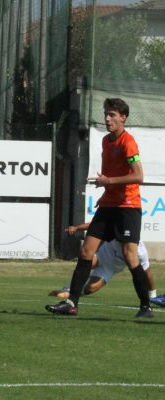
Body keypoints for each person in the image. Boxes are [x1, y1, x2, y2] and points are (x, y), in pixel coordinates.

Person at [46, 98, 151, 317]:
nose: (107, 119)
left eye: (112, 115)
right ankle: (72, 303)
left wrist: (108, 183)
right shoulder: (106, 141)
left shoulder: (127, 142)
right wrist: (106, 191)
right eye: (106, 114)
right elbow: (111, 176)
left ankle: (145, 306)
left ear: (123, 117)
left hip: (127, 206)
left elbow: (138, 176)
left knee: (130, 255)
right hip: (109, 204)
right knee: (86, 251)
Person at [48, 223, 157, 300]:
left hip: (111, 268)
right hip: (103, 254)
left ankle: (75, 291)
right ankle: (68, 290)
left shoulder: (140, 253)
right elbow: (94, 225)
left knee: (91, 288)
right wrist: (77, 228)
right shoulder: (116, 230)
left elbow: (147, 272)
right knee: (88, 263)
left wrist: (153, 294)